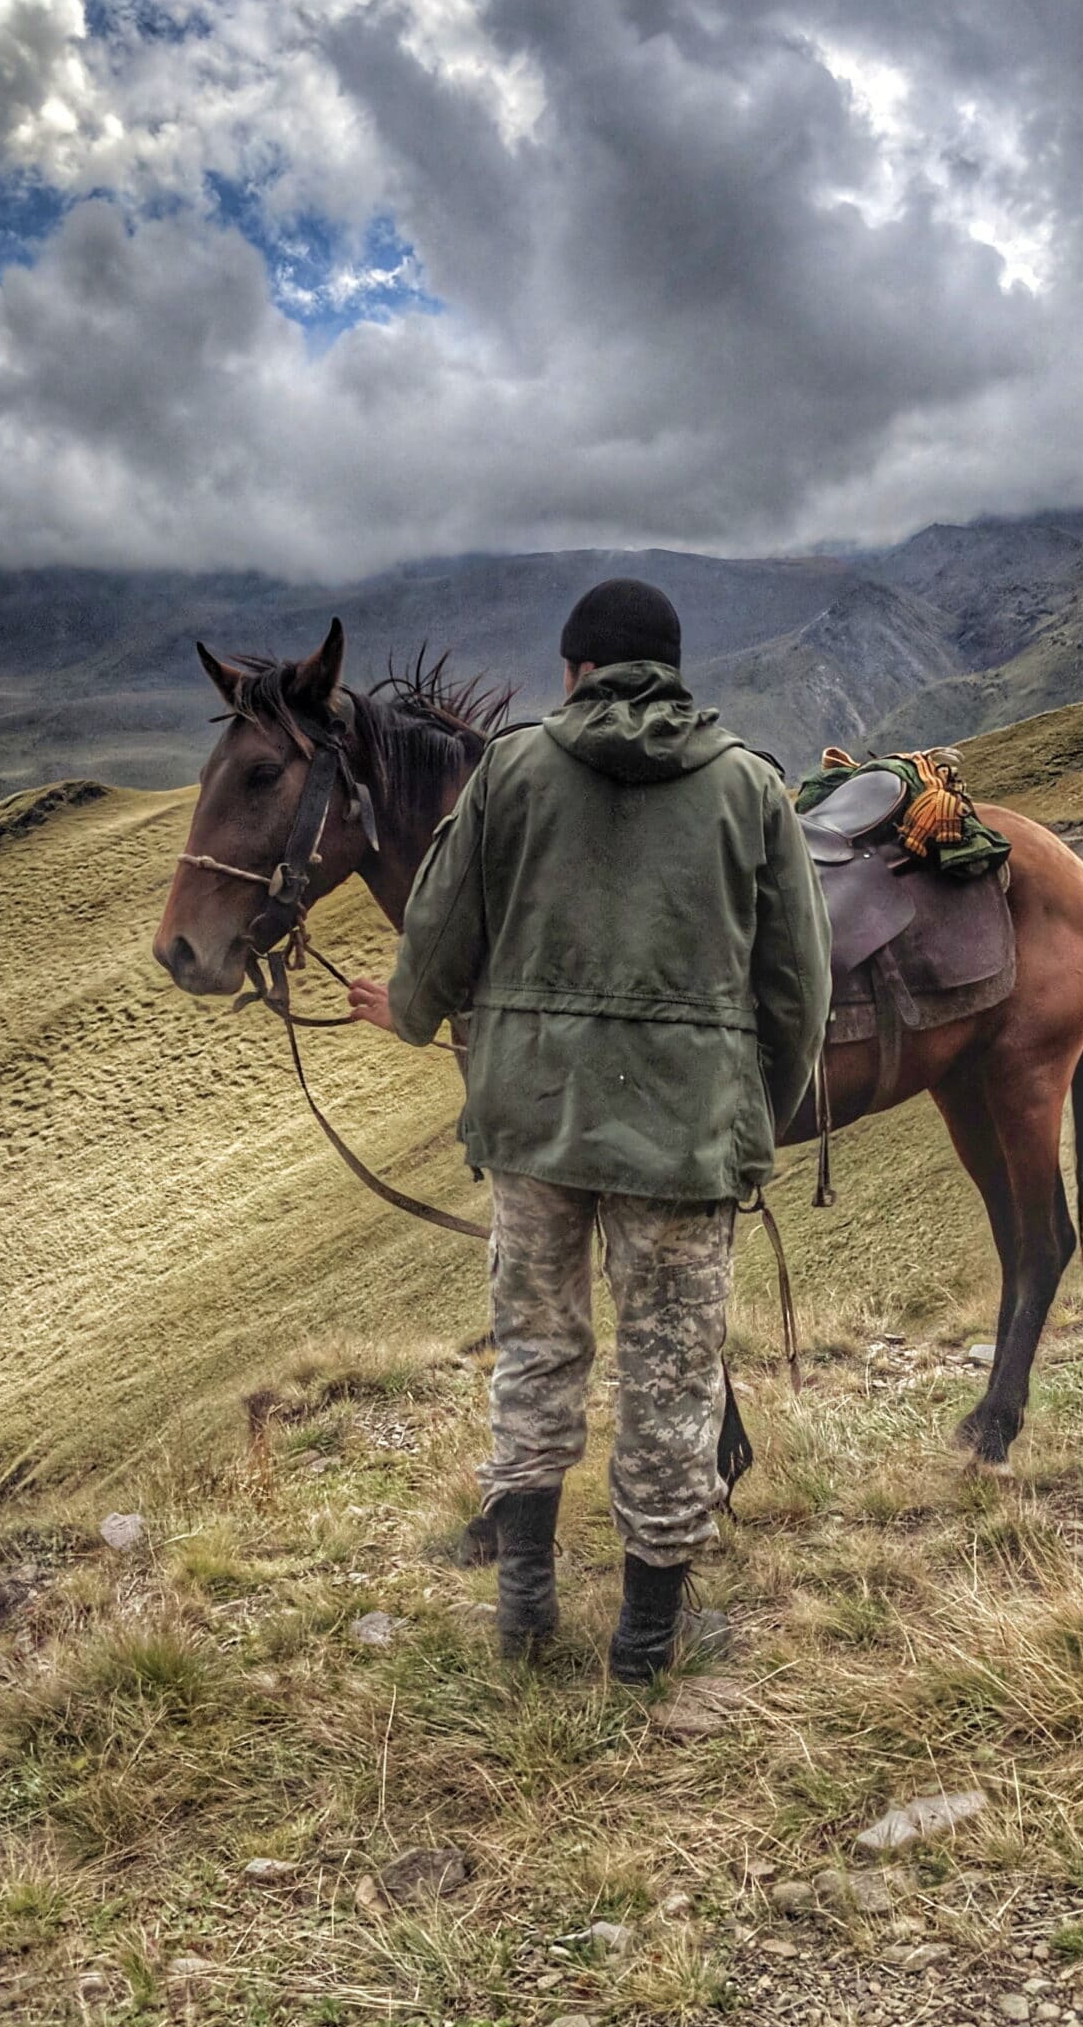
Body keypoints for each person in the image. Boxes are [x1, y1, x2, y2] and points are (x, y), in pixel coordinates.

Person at [347, 578, 832, 1680]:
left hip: (532, 1124)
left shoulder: (509, 770)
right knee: (670, 1375)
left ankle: (523, 1611)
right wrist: (756, 1109)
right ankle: (646, 1640)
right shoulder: (752, 788)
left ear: (572, 669)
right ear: (671, 671)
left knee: (535, 1351)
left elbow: (439, 930)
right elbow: (800, 983)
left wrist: (416, 1011)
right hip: (682, 1137)